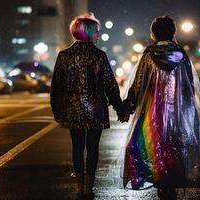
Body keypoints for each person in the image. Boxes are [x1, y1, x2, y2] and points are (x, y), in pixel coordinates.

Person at [111, 16, 200, 200]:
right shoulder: (181, 55)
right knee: (175, 147)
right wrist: (189, 113)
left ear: (154, 33)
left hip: (151, 112)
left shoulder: (149, 55)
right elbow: (189, 87)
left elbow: (139, 84)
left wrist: (127, 107)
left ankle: (160, 183)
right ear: (173, 32)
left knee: (151, 147)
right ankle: (171, 182)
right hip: (177, 114)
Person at [50, 13, 128, 200]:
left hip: (73, 109)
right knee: (93, 148)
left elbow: (57, 86)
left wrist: (57, 110)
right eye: (96, 32)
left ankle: (79, 187)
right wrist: (120, 108)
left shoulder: (64, 56)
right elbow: (110, 84)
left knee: (77, 147)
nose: (98, 35)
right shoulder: (99, 55)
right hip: (96, 110)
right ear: (88, 33)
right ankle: (88, 188)